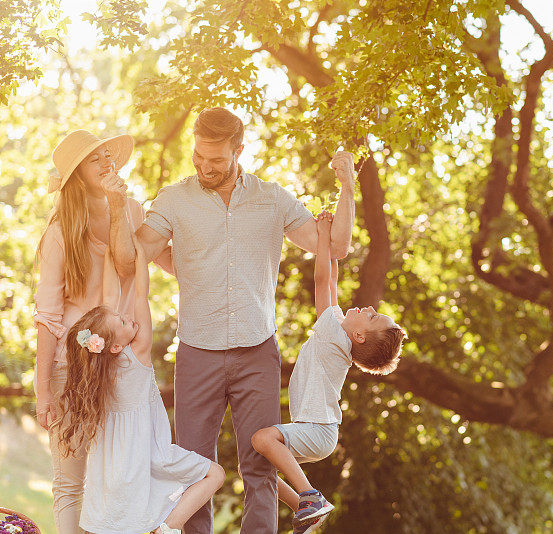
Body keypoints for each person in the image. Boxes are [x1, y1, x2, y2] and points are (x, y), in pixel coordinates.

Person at [104, 107, 357, 533]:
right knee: (193, 468)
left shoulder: (271, 199)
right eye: (198, 157)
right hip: (197, 351)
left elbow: (334, 247)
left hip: (258, 351)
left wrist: (347, 187)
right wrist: (115, 206)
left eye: (216, 160)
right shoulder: (173, 200)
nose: (205, 167)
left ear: (239, 151)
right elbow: (130, 261)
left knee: (258, 466)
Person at [33, 129, 172, 533]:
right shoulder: (59, 233)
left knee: (125, 477)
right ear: (77, 175)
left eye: (107, 154)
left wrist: (117, 206)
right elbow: (47, 317)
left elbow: (130, 267)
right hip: (70, 366)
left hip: (120, 365)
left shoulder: (130, 209)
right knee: (70, 481)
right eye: (95, 159)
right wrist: (45, 391)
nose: (106, 161)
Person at [50, 242, 224, 534]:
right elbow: (141, 295)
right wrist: (143, 256)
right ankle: (168, 526)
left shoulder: (101, 371)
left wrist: (109, 256)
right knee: (215, 474)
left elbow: (109, 297)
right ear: (116, 345)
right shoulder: (138, 352)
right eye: (122, 321)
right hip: (147, 455)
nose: (128, 317)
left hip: (112, 467)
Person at [251, 210, 405, 534]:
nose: (371, 309)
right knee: (255, 467)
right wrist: (332, 247)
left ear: (359, 336)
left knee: (262, 439)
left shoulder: (335, 337)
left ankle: (310, 498)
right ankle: (305, 511)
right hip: (320, 432)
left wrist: (322, 235)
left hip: (319, 430)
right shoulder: (337, 332)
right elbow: (331, 280)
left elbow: (323, 281)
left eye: (373, 317)